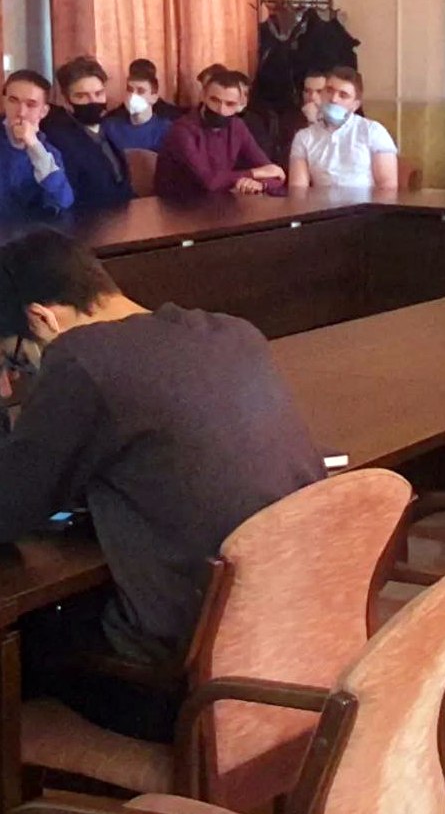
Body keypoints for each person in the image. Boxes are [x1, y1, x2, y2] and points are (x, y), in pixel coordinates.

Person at [0, 228, 325, 740]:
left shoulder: (83, 359)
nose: (16, 382)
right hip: (292, 647)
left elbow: (7, 509)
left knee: (19, 637)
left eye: (17, 361)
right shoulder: (232, 332)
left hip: (183, 684)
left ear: (42, 319)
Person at [155, 69, 287, 199]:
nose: (221, 110)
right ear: (203, 96)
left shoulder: (237, 126)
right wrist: (255, 173)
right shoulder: (182, 130)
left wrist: (260, 184)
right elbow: (209, 181)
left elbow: (274, 174)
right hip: (177, 205)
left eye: (230, 104)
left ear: (240, 105)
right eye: (215, 100)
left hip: (219, 204)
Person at [42, 57, 132, 210]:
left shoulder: (110, 127)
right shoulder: (58, 139)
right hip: (87, 219)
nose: (93, 101)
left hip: (122, 215)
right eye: (81, 96)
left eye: (98, 93)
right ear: (66, 100)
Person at [289, 66, 398, 190]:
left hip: (365, 201)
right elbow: (298, 189)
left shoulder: (373, 131)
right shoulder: (304, 137)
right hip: (320, 202)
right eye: (329, 90)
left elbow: (387, 187)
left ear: (355, 105)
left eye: (343, 95)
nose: (333, 99)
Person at [0, 70, 74, 220]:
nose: (21, 112)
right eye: (13, 101)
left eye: (31, 105)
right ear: (4, 102)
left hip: (31, 232)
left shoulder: (49, 152)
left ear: (44, 111)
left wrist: (34, 146)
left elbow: (63, 202)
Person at [102, 61, 175, 154]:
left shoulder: (168, 130)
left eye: (140, 91)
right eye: (130, 90)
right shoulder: (109, 127)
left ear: (154, 97)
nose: (133, 96)